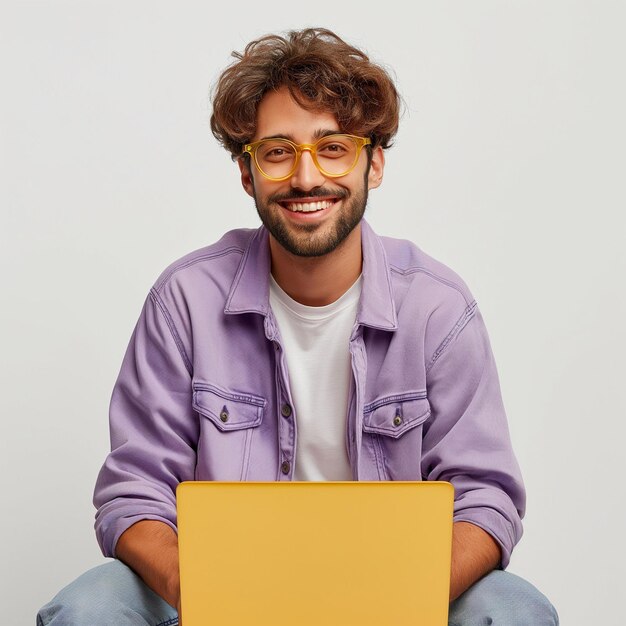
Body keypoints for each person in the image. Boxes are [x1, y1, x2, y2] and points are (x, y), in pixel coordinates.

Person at [37, 27, 558, 625]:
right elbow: (133, 493)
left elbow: (485, 498)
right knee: (89, 607)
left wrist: (394, 599)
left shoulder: (437, 310)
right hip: (219, 604)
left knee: (514, 609)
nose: (306, 178)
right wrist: (215, 592)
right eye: (278, 152)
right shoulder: (185, 300)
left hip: (392, 602)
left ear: (375, 163)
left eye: (333, 147)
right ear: (246, 172)